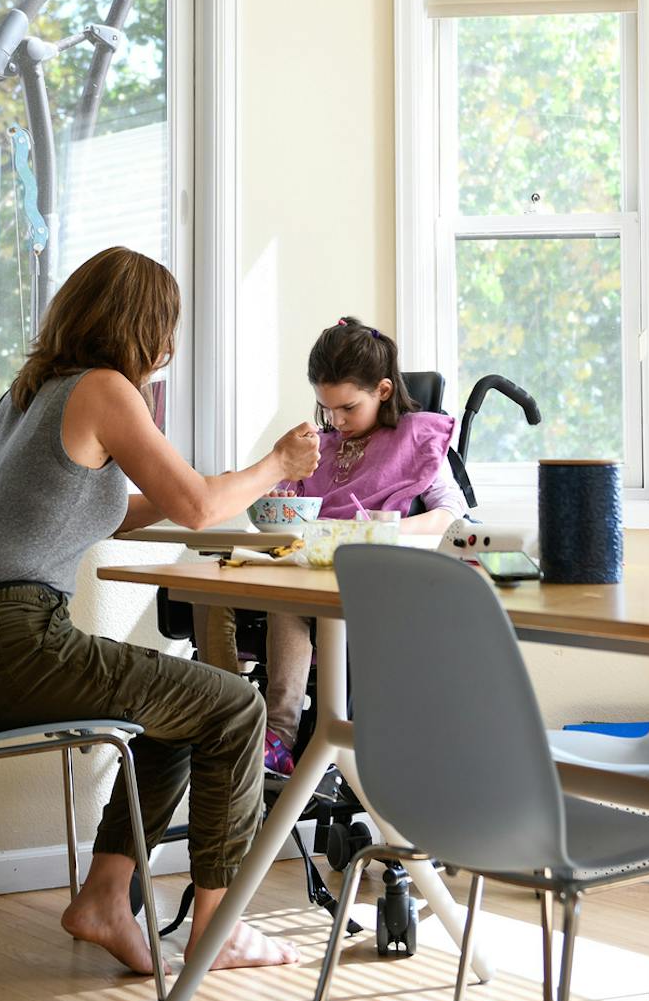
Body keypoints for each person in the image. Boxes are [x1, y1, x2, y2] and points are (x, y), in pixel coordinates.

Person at [0, 246, 318, 975]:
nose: (170, 346)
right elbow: (196, 505)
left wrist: (195, 501)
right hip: (11, 640)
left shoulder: (32, 393)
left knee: (179, 705)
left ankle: (106, 899)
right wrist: (275, 467)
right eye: (166, 327)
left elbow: (88, 507)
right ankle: (217, 930)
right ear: (141, 326)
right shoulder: (105, 389)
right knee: (235, 707)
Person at [196, 316, 465, 775]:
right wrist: (280, 500)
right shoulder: (320, 446)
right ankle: (233, 722)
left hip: (368, 576)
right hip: (305, 564)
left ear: (382, 390)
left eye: (347, 408)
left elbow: (451, 517)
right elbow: (289, 508)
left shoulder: (415, 441)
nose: (336, 422)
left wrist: (385, 530)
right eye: (327, 410)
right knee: (208, 588)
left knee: (288, 599)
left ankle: (277, 734)